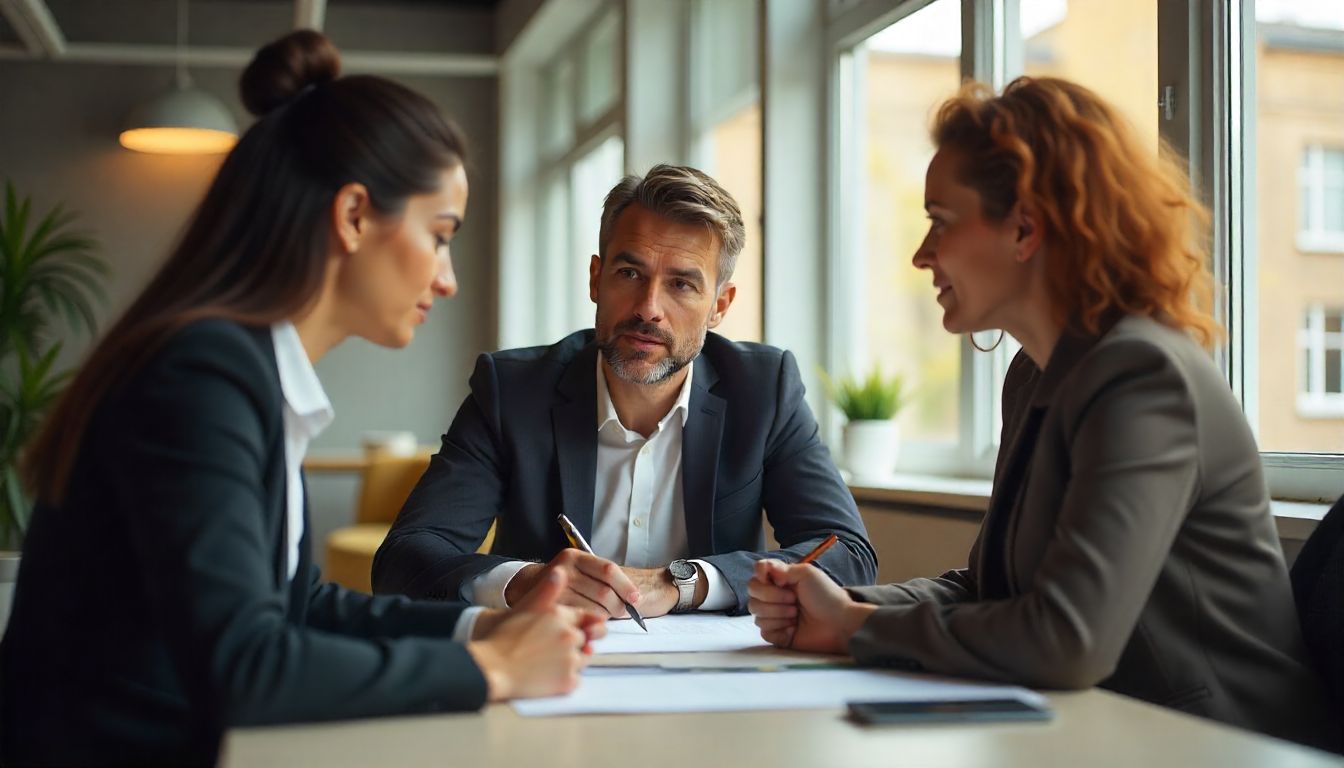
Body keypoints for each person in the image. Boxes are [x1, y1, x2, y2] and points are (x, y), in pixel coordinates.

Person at [0, 30, 603, 766]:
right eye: (440, 235)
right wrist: (493, 670)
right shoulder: (200, 380)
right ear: (353, 216)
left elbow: (300, 606)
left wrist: (482, 630)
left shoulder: (239, 367)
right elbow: (246, 668)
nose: (446, 279)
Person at [747, 76, 1338, 750]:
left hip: (1222, 746)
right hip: (1107, 733)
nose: (922, 254)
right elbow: (988, 592)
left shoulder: (1143, 376)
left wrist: (855, 628)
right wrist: (841, 604)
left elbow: (1066, 640)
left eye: (940, 220)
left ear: (1025, 227)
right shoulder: (1035, 374)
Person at [372, 164, 876, 618]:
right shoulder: (513, 391)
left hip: (713, 671)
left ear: (720, 306)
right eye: (629, 273)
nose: (648, 308)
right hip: (549, 659)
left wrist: (683, 583)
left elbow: (848, 554)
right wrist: (526, 582)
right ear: (596, 279)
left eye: (681, 285)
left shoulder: (764, 390)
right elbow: (405, 557)